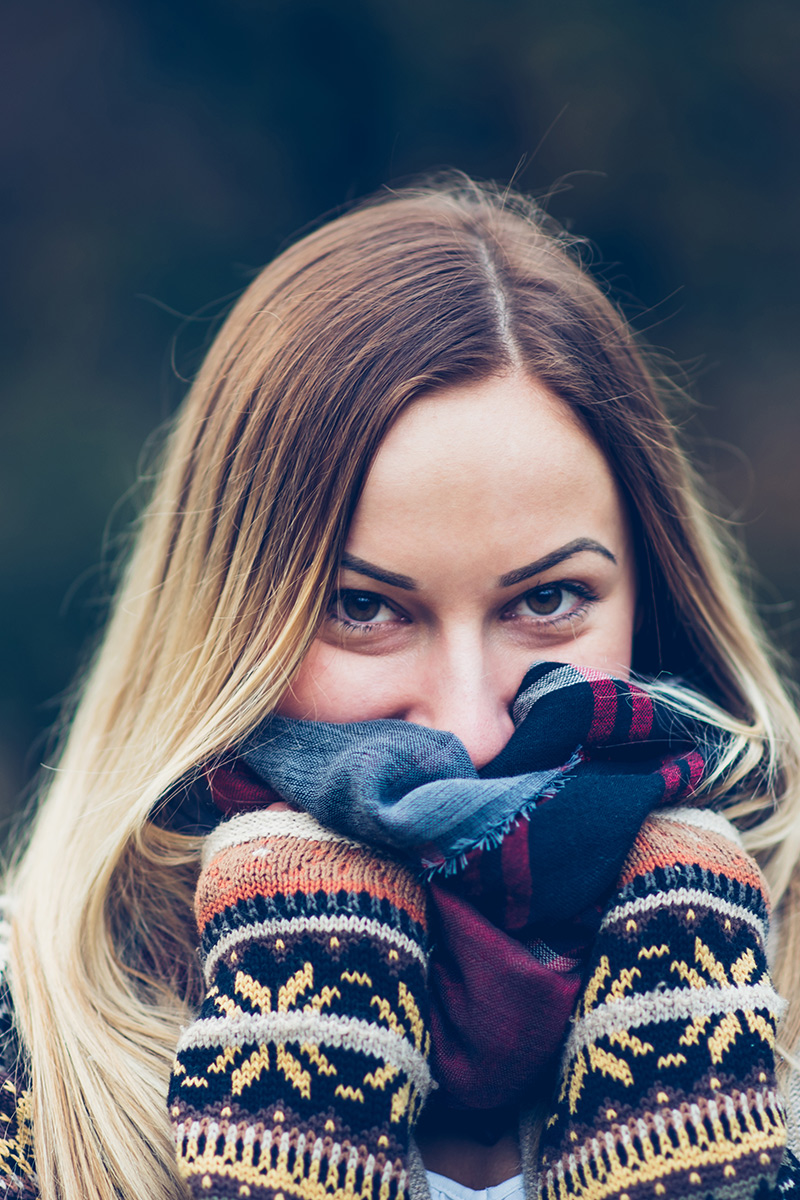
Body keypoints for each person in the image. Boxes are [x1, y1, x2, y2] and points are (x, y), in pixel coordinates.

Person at [2, 176, 800, 1200]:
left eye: (549, 598)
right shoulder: (28, 1044)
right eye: (365, 609)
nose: (467, 731)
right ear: (226, 623)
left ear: (650, 600)